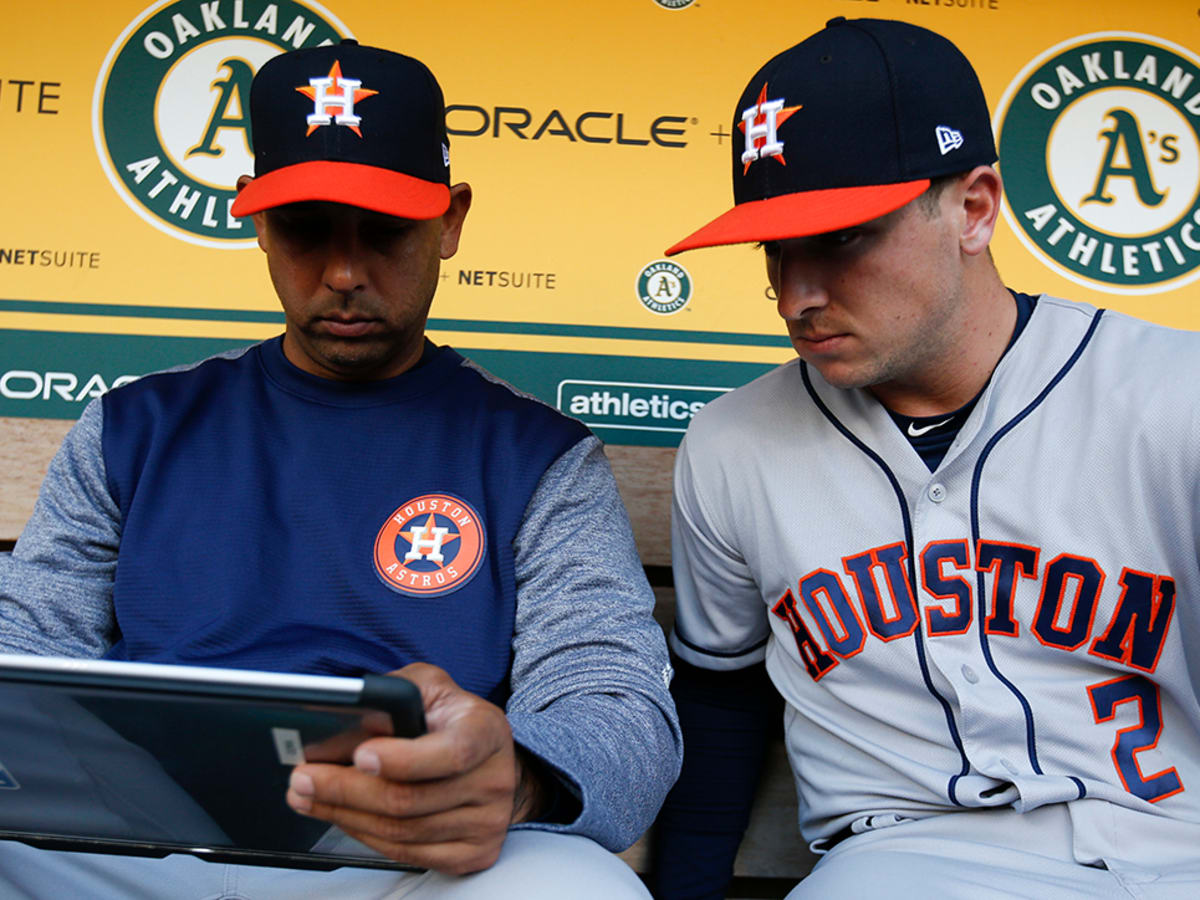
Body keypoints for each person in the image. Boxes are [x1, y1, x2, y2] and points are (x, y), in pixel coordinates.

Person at [0, 40, 680, 899]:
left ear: (449, 221)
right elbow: (23, 653)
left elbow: (614, 704)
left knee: (578, 887)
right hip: (136, 846)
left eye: (386, 229)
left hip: (396, 857)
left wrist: (519, 777)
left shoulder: (534, 456)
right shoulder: (135, 426)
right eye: (307, 229)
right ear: (256, 224)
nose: (346, 272)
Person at [649, 15, 1200, 900]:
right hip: (902, 865)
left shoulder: (1173, 400)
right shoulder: (733, 446)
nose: (798, 295)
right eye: (776, 248)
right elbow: (721, 706)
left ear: (974, 208)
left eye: (843, 237)